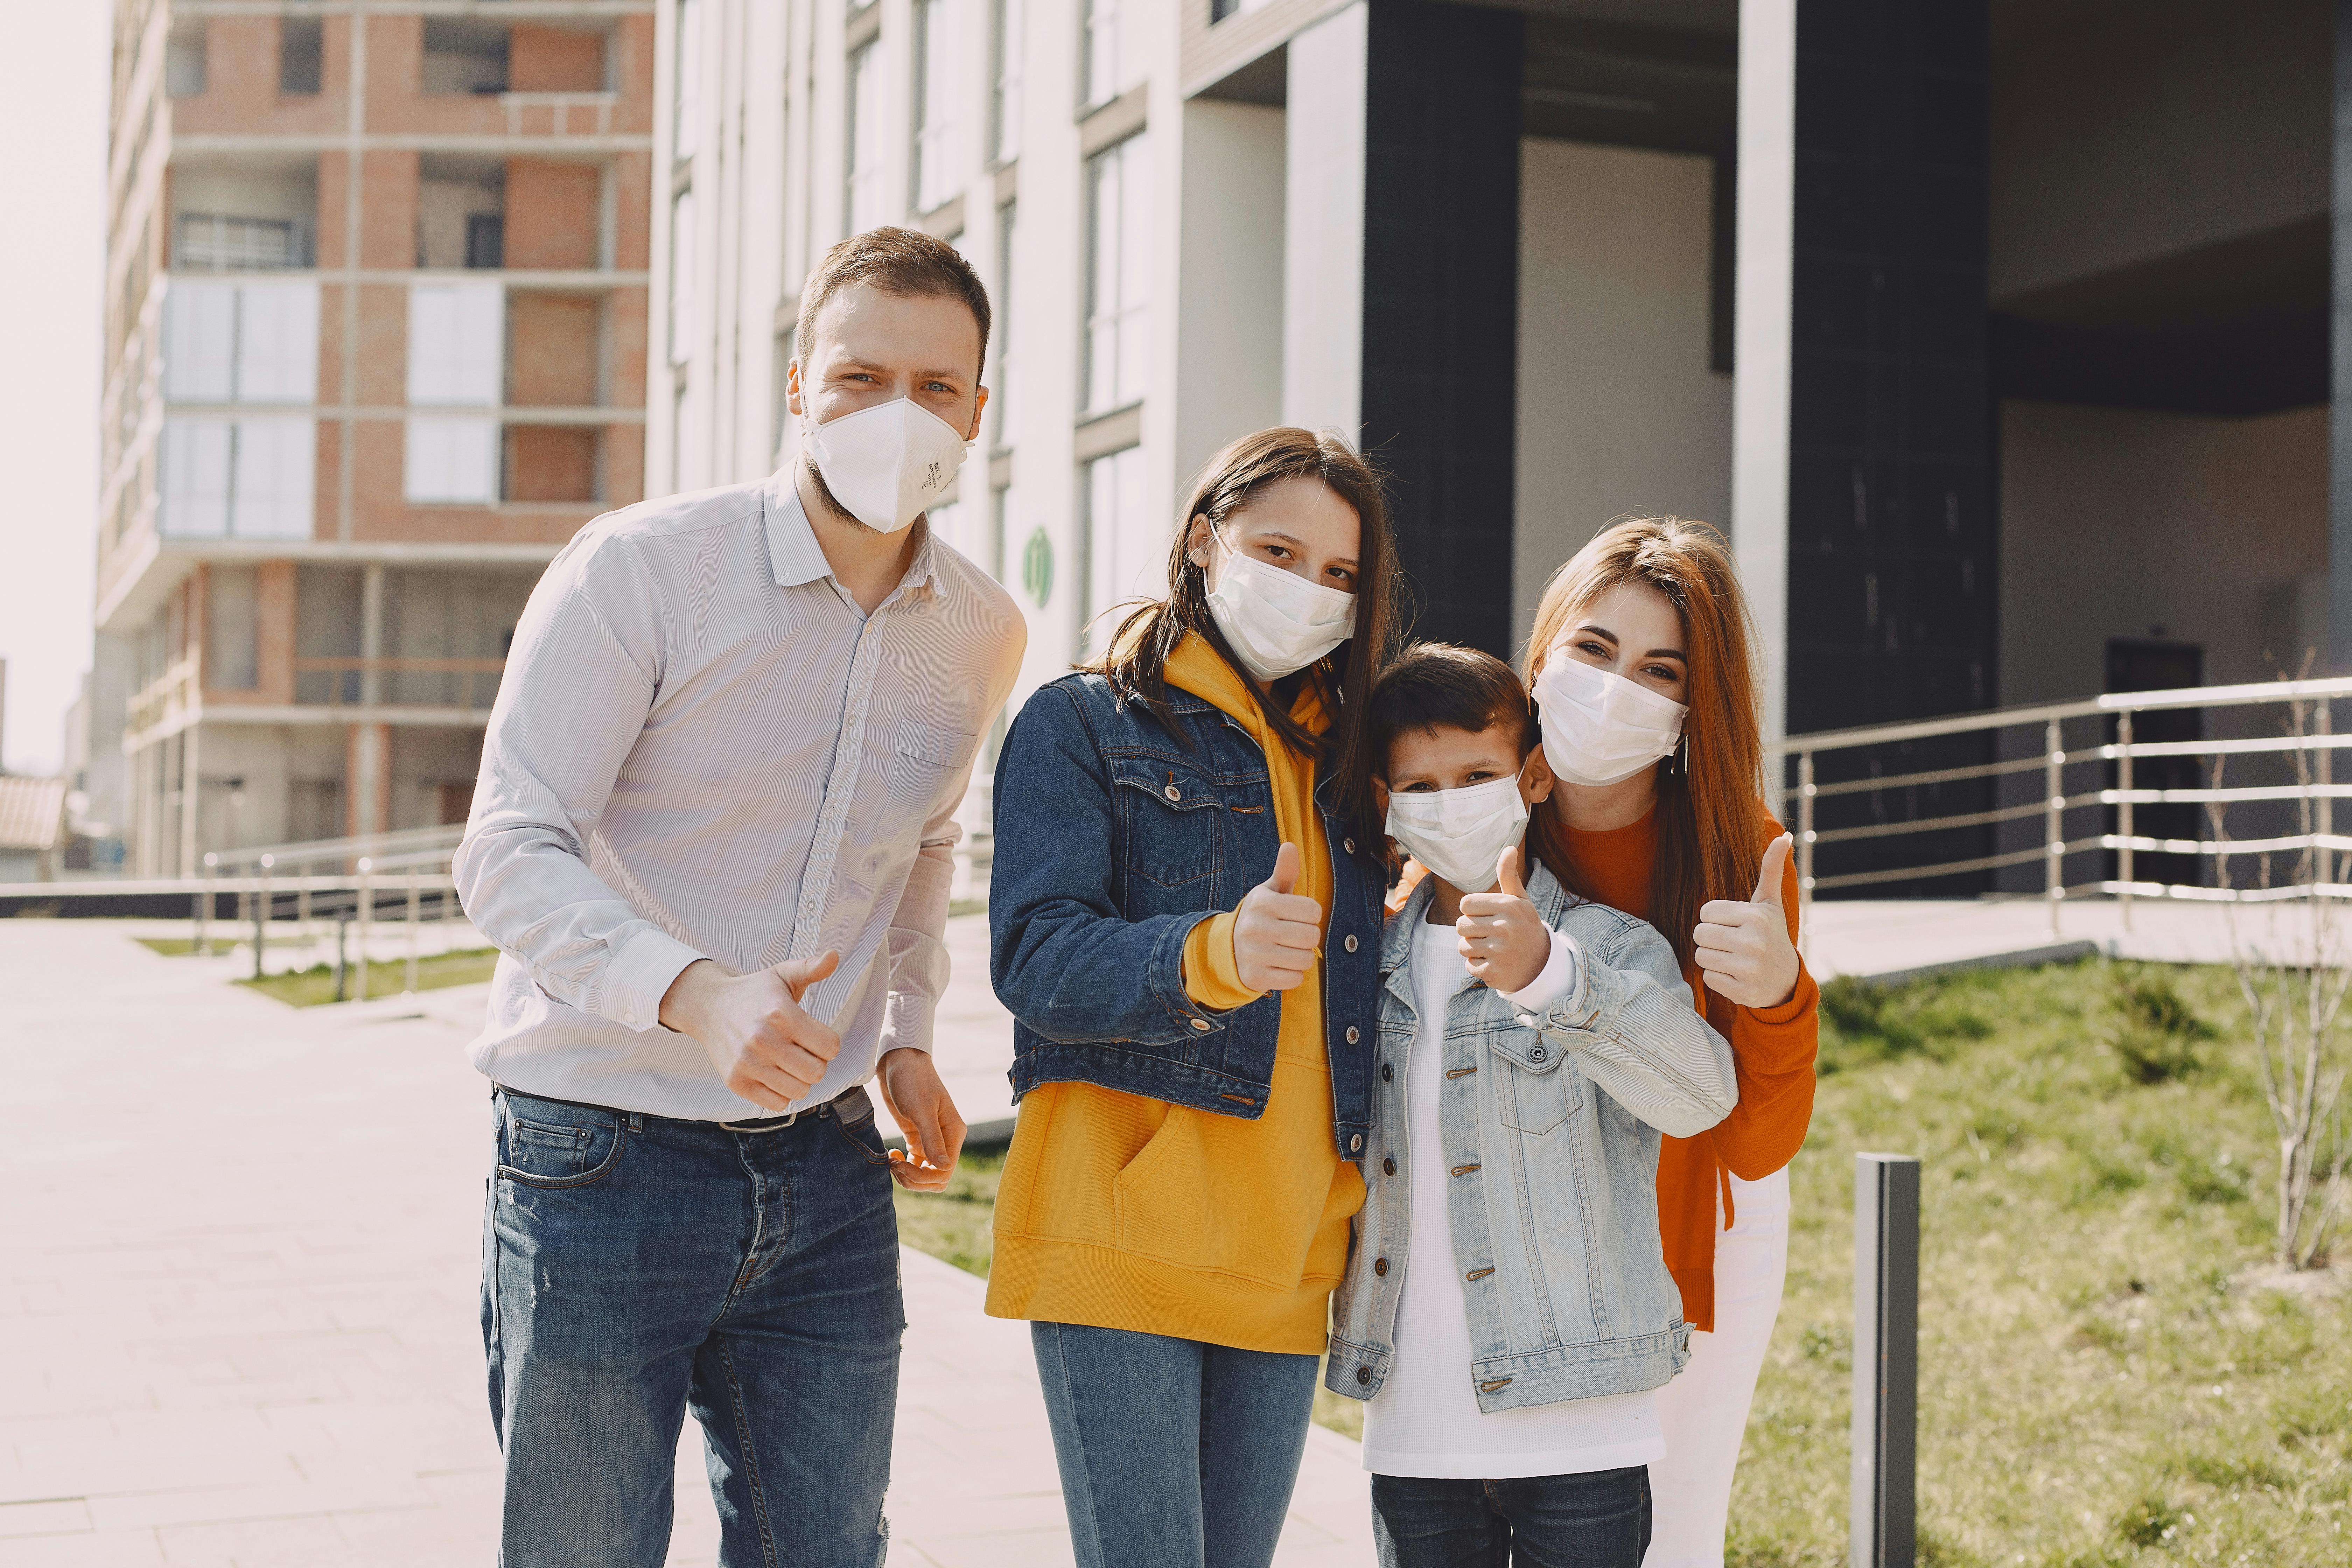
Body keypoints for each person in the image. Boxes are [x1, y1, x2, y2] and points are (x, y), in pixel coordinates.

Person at [453, 226, 1026, 1568]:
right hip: (599, 1153)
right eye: (861, 376)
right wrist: (694, 992)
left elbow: (925, 848)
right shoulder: (640, 568)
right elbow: (506, 846)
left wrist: (904, 1036)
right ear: (796, 387)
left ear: (980, 411)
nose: (900, 413)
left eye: (938, 388)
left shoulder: (983, 630)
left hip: (826, 1170)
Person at [984, 427, 1399, 1568]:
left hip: (1286, 1250)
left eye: (1341, 575)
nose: (1310, 591)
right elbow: (1035, 956)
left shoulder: (1355, 763)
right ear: (1204, 539)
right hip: (1121, 1236)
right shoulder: (1081, 723)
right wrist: (1210, 952)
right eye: (1280, 549)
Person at [1325, 643, 1738, 1568]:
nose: (1450, 801)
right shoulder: (1362, 967)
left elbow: (1700, 1097)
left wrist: (1552, 978)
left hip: (1582, 1431)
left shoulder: (1605, 945)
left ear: (1535, 776)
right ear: (1388, 805)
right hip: (1416, 1433)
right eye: (1419, 786)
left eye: (1477, 775)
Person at [1520, 517, 1820, 1568]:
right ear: (1547, 645)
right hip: (1512, 1219)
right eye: (1595, 650)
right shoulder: (1468, 802)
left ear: (1695, 705)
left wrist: (1780, 995)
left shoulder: (1744, 847)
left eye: (1659, 670)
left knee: (1668, 1535)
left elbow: (1756, 1146)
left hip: (1694, 1233)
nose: (1615, 690)